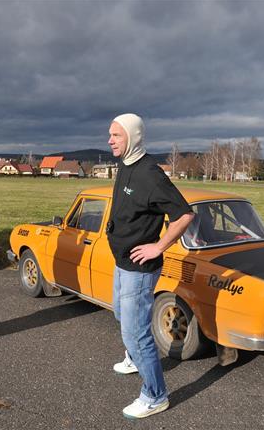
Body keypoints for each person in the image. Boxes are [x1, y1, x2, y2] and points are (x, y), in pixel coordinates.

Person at [106, 114, 194, 419]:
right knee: (119, 313)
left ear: (133, 136)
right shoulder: (125, 163)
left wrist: (159, 246)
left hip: (138, 270)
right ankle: (134, 358)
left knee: (136, 332)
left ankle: (155, 395)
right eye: (110, 135)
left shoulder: (151, 174)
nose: (110, 140)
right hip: (121, 262)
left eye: (116, 135)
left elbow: (184, 215)